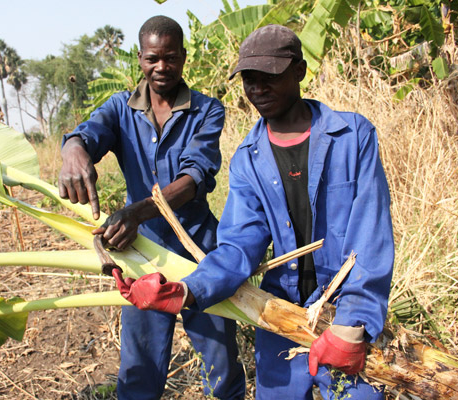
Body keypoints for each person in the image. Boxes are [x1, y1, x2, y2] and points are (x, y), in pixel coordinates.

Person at [112, 24, 394, 399]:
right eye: (249, 79)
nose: (257, 89)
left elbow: (370, 235)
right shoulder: (249, 157)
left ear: (298, 71)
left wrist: (352, 325)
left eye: (269, 77)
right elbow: (238, 246)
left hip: (344, 313)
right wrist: (186, 290)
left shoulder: (352, 137)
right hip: (280, 314)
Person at [58, 15, 245, 400]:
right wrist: (73, 150)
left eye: (171, 58)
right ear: (140, 58)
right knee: (139, 373)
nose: (162, 68)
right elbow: (88, 134)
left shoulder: (207, 111)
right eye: (152, 59)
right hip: (141, 255)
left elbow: (194, 178)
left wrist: (136, 213)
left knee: (221, 367)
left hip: (199, 255)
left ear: (184, 57)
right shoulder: (118, 108)